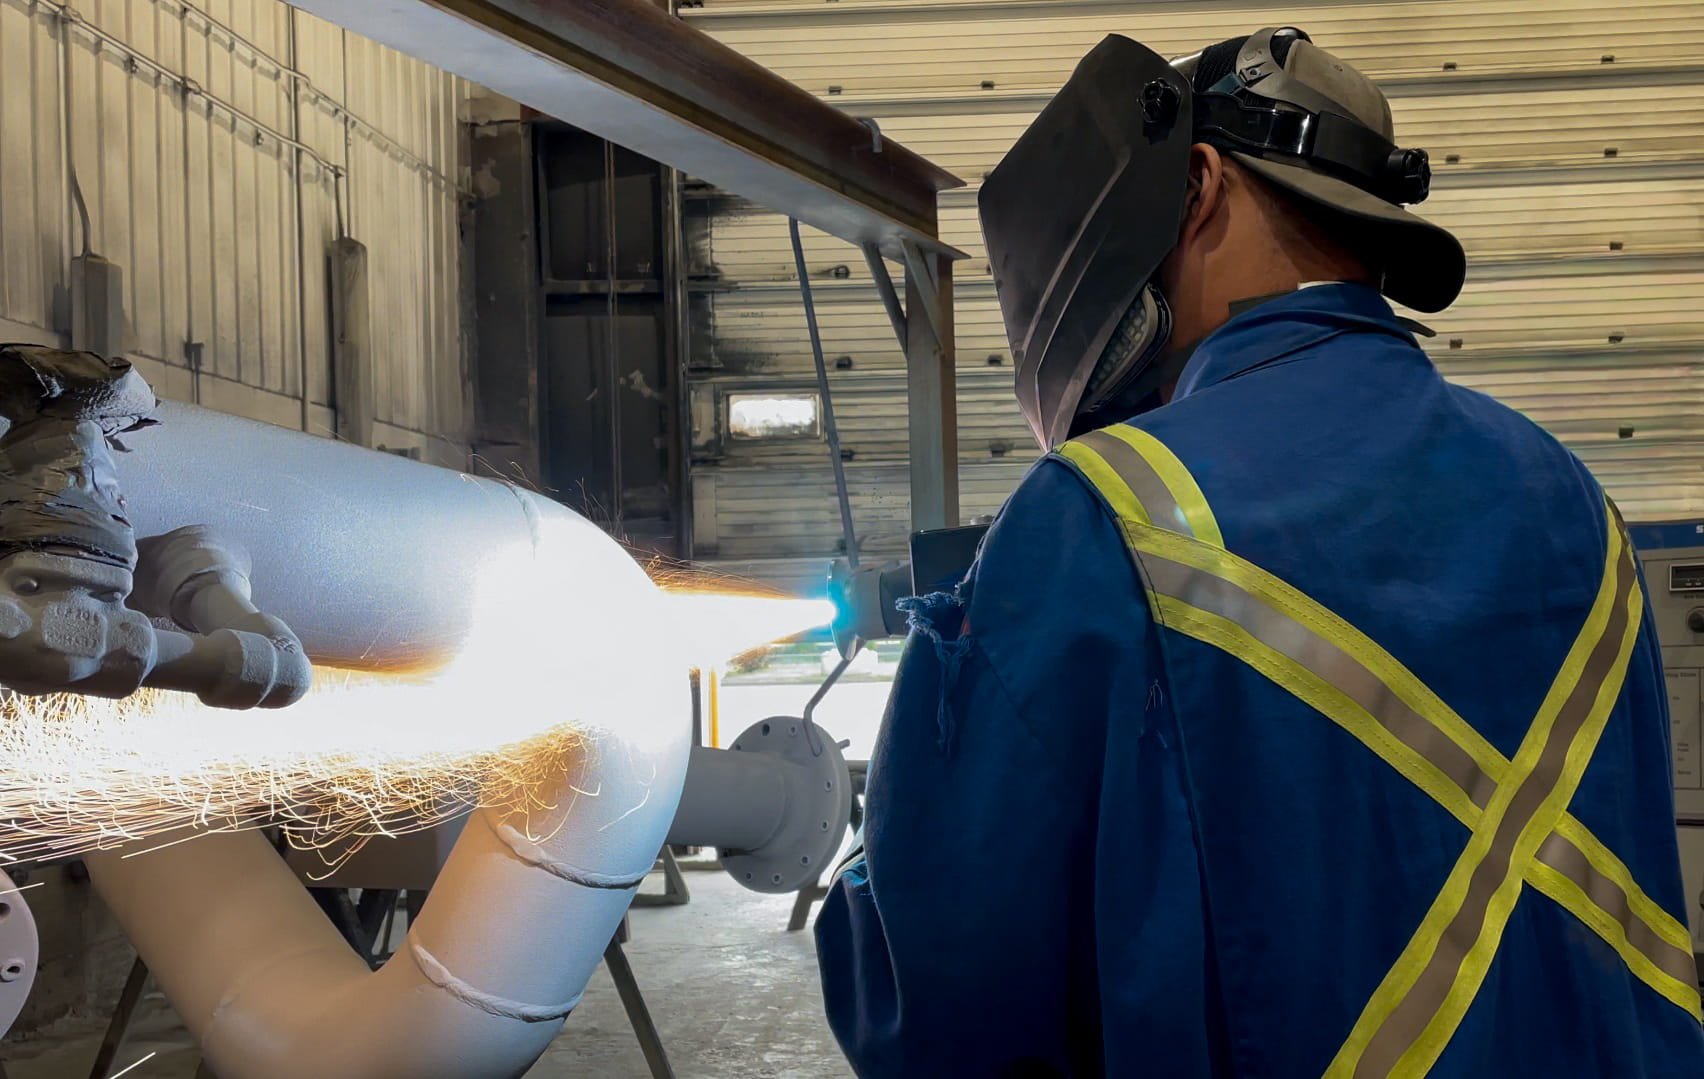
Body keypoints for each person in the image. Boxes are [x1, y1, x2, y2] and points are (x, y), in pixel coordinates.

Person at [813, 27, 1704, 1077]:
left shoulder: (1103, 515)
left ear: (1196, 184)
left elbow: (933, 1006)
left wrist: (879, 846)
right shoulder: (1573, 500)